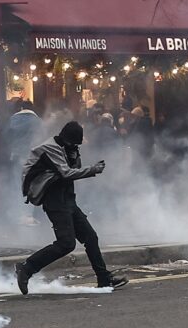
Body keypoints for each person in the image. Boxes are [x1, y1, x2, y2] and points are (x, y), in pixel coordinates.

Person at [15, 121, 128, 294]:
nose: (75, 146)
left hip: (67, 199)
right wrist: (93, 170)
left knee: (90, 237)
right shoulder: (50, 148)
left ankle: (104, 279)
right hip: (54, 200)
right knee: (66, 243)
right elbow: (66, 173)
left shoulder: (67, 148)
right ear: (66, 139)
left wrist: (75, 154)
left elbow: (74, 168)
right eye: (73, 143)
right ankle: (27, 268)